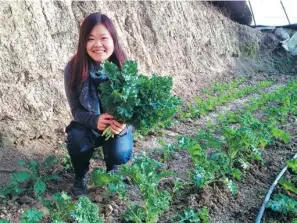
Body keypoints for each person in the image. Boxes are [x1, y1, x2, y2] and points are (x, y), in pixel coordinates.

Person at [64, 12, 133, 198]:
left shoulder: (124, 66)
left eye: (104, 38)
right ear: (83, 42)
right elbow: (76, 110)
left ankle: (113, 168)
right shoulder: (73, 68)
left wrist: (124, 123)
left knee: (121, 153)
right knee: (76, 139)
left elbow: (134, 105)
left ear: (113, 40)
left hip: (115, 127)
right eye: (91, 38)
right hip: (89, 125)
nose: (98, 44)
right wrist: (94, 120)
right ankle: (80, 176)